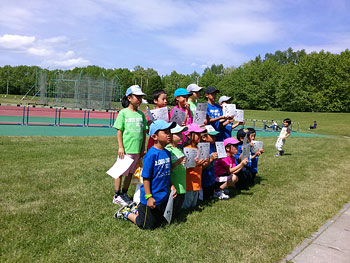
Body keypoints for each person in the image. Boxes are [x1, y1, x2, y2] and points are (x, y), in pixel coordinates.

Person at [115, 120, 177, 230]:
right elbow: (146, 178)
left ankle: (136, 209)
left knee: (161, 222)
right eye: (165, 132)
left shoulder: (167, 153)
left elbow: (167, 173)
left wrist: (171, 185)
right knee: (146, 225)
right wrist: (148, 197)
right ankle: (126, 212)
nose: (169, 134)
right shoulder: (151, 155)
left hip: (163, 196)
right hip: (150, 197)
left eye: (170, 132)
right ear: (154, 136)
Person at [112, 85, 148, 206]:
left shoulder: (141, 115)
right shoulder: (123, 113)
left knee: (130, 173)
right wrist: (120, 147)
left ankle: (124, 193)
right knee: (120, 172)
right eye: (137, 96)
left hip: (137, 150)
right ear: (129, 97)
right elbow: (119, 131)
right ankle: (116, 195)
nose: (139, 99)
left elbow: (144, 132)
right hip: (126, 150)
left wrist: (143, 147)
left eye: (141, 97)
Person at [182, 124, 209, 209]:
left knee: (193, 205)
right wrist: (196, 164)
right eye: (197, 134)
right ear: (189, 135)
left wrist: (205, 163)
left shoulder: (198, 149)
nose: (199, 136)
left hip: (197, 182)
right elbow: (184, 167)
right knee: (186, 206)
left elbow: (202, 166)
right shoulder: (186, 149)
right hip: (189, 183)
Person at [165, 124, 188, 220]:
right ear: (171, 135)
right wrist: (177, 163)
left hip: (182, 184)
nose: (182, 136)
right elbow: (165, 169)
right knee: (170, 208)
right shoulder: (167, 150)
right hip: (174, 185)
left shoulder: (179, 149)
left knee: (178, 206)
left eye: (181, 134)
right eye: (178, 134)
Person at [200, 126, 219, 201]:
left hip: (211, 178)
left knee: (210, 195)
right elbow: (202, 167)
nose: (214, 137)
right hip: (204, 179)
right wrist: (211, 159)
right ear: (204, 137)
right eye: (212, 136)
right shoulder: (201, 148)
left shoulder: (211, 145)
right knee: (205, 198)